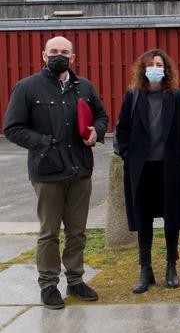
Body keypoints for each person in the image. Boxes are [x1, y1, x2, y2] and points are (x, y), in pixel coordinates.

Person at [3, 36, 108, 310]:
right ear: (43, 55)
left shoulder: (84, 87)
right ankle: (48, 285)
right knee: (49, 232)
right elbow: (12, 128)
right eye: (53, 52)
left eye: (64, 52)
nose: (58, 56)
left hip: (80, 170)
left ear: (73, 58)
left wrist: (96, 131)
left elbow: (102, 116)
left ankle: (75, 280)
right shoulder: (27, 87)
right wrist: (44, 144)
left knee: (77, 232)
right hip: (47, 171)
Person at [115, 49, 180, 294]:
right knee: (143, 218)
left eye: (159, 64)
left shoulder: (176, 97)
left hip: (167, 168)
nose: (155, 68)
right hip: (141, 168)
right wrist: (128, 155)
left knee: (171, 219)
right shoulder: (133, 96)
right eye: (150, 64)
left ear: (166, 68)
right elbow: (122, 129)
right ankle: (145, 269)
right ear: (142, 69)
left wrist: (179, 158)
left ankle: (171, 266)